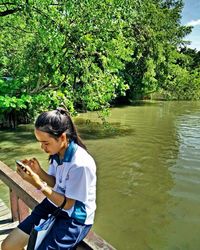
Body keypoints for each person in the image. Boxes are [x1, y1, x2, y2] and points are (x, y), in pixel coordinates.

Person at [1, 108, 97, 250]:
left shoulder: (80, 165)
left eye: (46, 143)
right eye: (40, 142)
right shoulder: (57, 153)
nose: (42, 148)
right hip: (53, 204)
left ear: (63, 137)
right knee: (9, 246)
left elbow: (69, 205)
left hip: (74, 218)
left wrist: (38, 183)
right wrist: (38, 172)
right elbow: (55, 182)